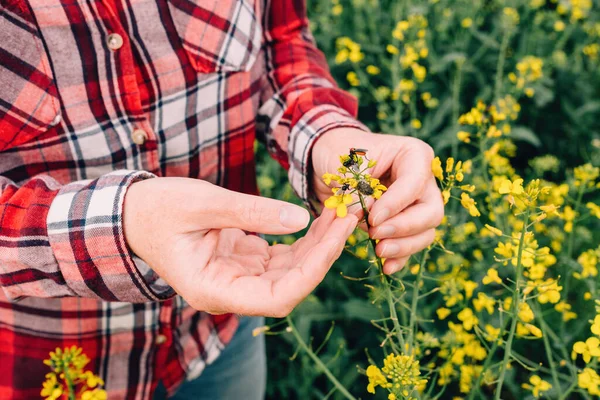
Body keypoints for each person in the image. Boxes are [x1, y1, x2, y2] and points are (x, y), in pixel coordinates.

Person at [0, 0, 444, 398]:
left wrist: (328, 135)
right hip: (47, 364)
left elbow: (278, 39)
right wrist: (126, 224)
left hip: (223, 329)